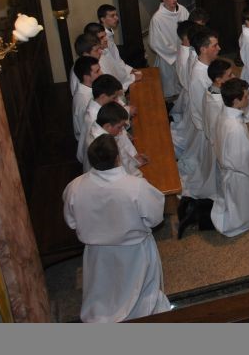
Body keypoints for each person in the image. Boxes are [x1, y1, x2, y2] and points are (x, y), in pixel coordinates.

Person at [63, 134, 170, 322]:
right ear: (117, 158)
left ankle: (104, 316)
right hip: (134, 251)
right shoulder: (135, 186)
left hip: (97, 252)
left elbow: (71, 222)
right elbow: (155, 217)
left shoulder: (75, 187)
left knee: (103, 288)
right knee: (139, 290)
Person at [210, 78, 249, 237]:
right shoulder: (235, 127)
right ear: (236, 101)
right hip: (238, 172)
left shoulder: (225, 112)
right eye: (246, 96)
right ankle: (243, 223)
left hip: (228, 165)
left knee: (234, 199)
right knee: (242, 199)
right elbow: (240, 158)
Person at [176, 28, 221, 238]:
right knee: (208, 166)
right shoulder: (198, 76)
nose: (219, 48)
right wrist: (216, 130)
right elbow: (201, 107)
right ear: (203, 49)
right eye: (214, 45)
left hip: (210, 125)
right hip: (207, 128)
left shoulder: (206, 69)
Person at [76, 75, 130, 169]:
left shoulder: (98, 106)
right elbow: (110, 154)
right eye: (114, 98)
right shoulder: (94, 118)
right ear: (103, 96)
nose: (117, 101)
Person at [81, 101, 148, 176]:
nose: (121, 130)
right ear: (108, 126)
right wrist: (135, 166)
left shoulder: (101, 128)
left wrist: (134, 160)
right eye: (119, 127)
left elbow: (122, 155)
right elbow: (116, 171)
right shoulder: (102, 145)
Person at [148, 0, 190, 99]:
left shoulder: (182, 10)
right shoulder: (157, 18)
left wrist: (184, 50)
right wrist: (175, 52)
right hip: (167, 58)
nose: (174, 0)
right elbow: (154, 42)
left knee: (185, 86)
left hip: (184, 52)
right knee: (170, 88)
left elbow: (190, 29)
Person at [98, 4, 142, 89]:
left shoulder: (108, 33)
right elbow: (112, 64)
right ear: (103, 19)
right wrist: (130, 78)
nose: (116, 18)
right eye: (112, 16)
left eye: (116, 15)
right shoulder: (102, 39)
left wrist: (129, 69)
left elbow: (116, 58)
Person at [169, 20, 197, 150]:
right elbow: (190, 79)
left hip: (188, 92)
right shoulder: (188, 55)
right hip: (191, 93)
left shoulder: (184, 48)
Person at [202, 58, 234, 157]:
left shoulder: (211, 89)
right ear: (218, 79)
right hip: (220, 140)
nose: (233, 77)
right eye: (229, 75)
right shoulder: (218, 102)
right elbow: (219, 126)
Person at [72, 55, 102, 142]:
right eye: (97, 71)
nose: (101, 73)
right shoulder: (84, 101)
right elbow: (89, 132)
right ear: (86, 77)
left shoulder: (91, 87)